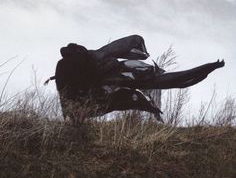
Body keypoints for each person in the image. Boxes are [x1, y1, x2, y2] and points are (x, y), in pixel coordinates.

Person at [45, 35, 225, 124]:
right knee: (158, 82)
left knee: (153, 83)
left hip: (76, 107)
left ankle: (73, 122)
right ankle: (207, 68)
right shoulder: (88, 59)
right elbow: (110, 60)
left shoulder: (62, 65)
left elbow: (64, 93)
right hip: (87, 101)